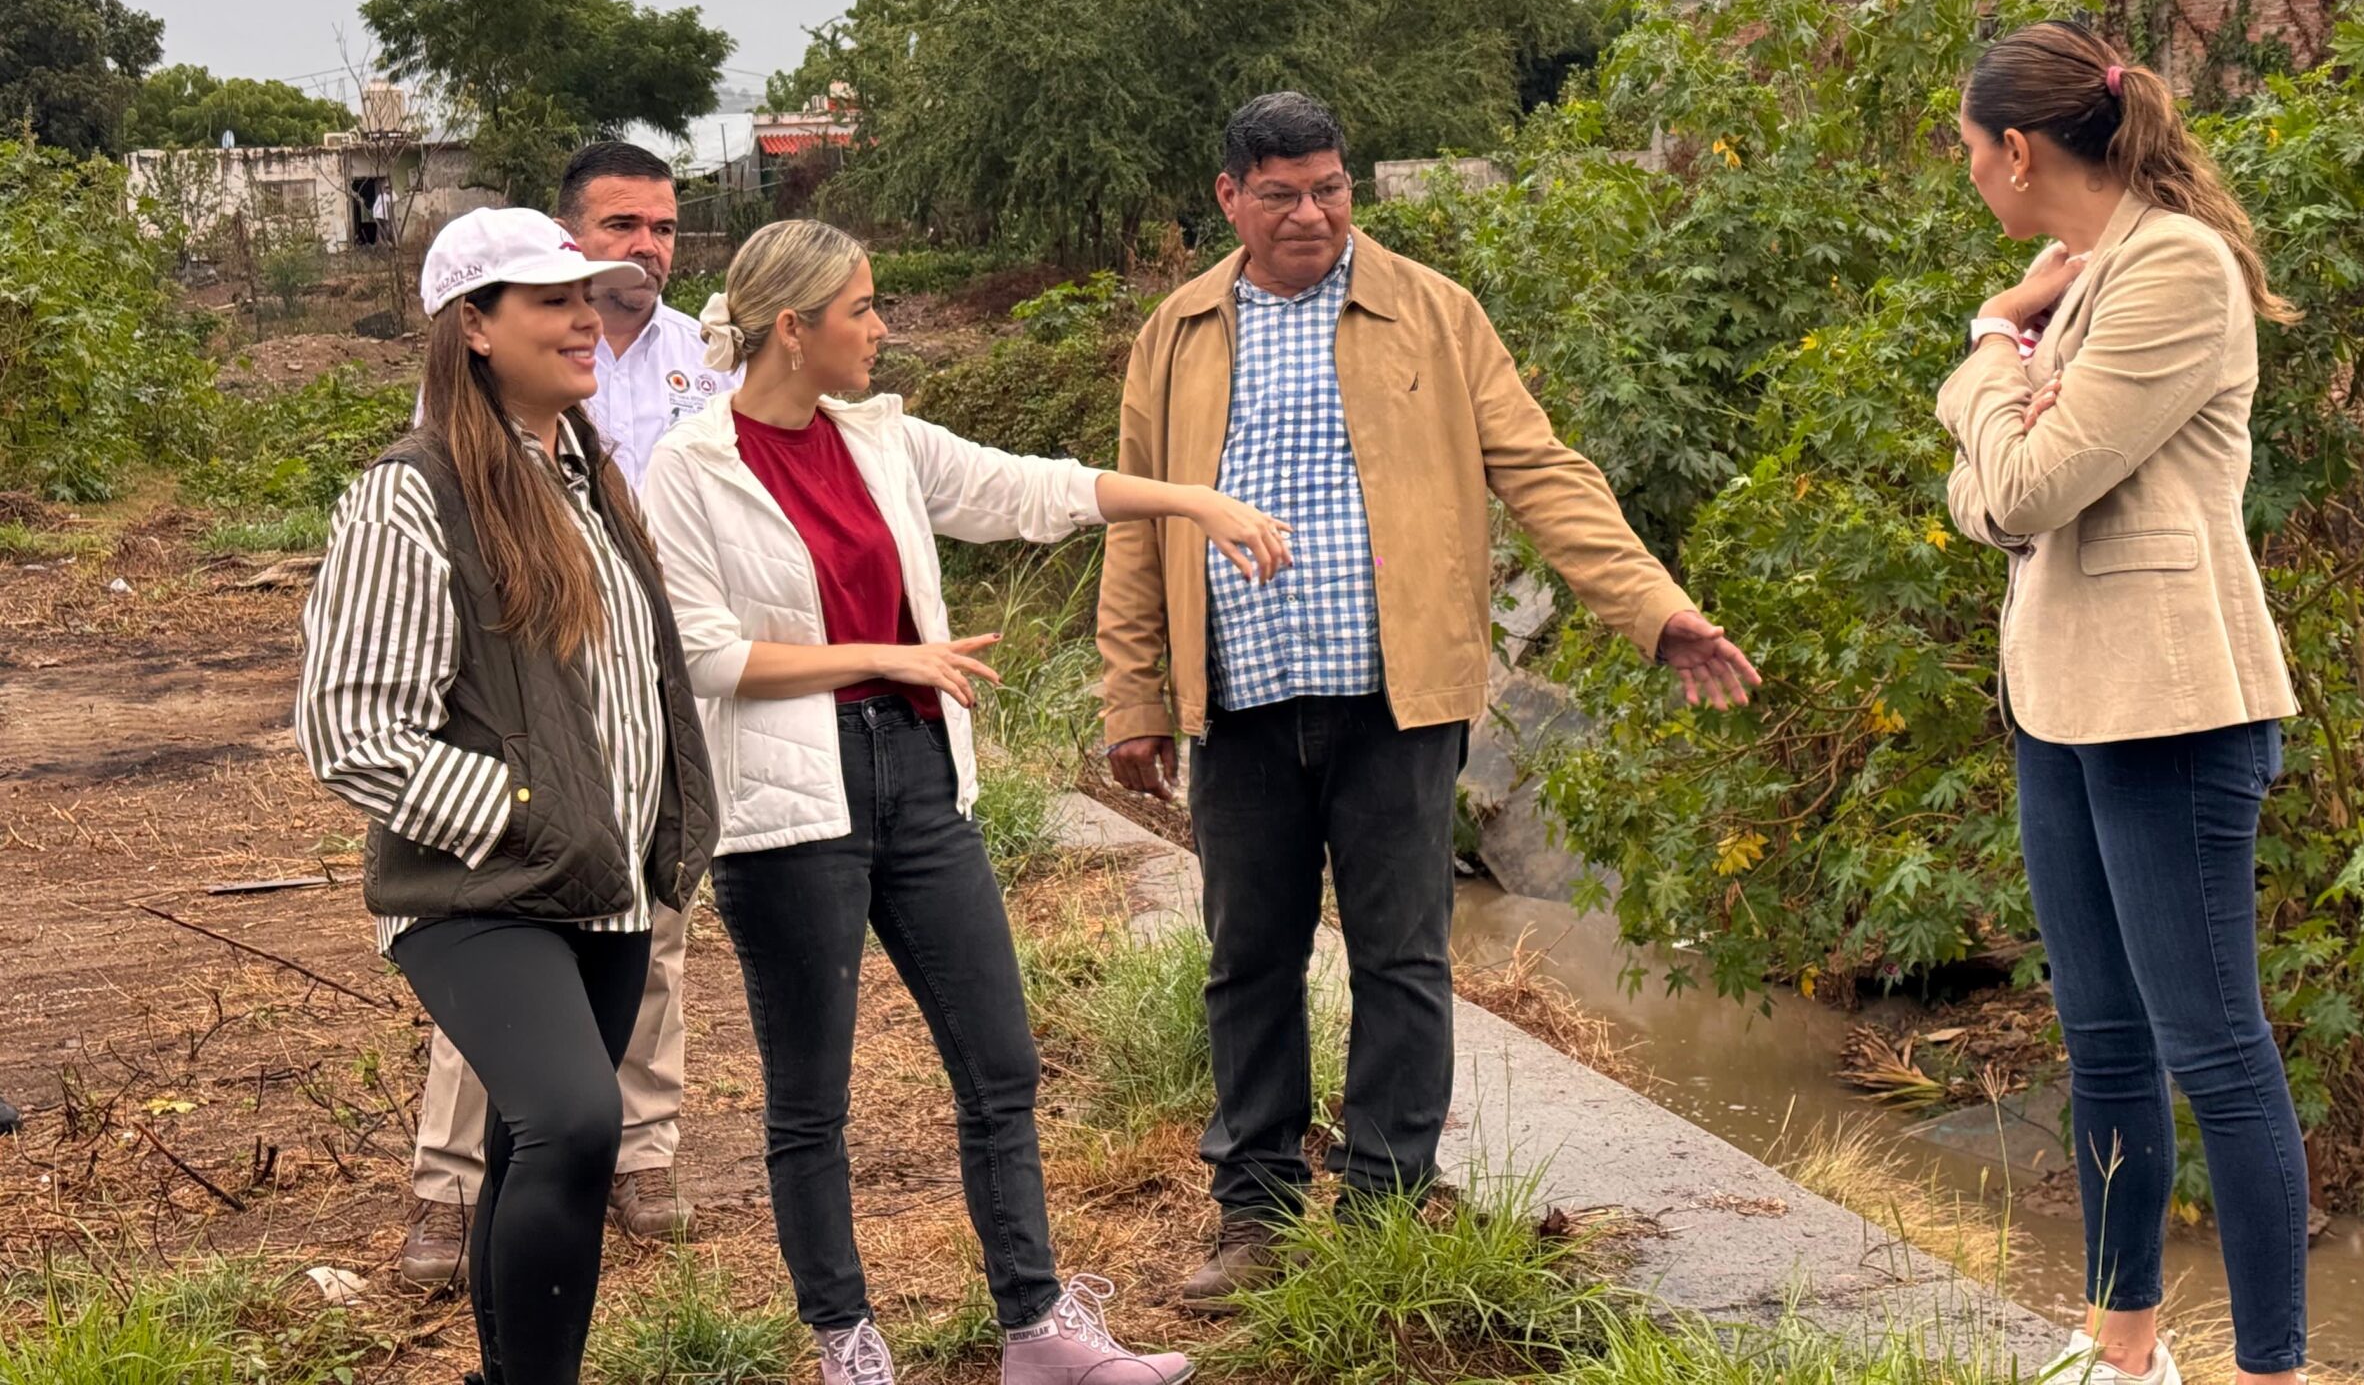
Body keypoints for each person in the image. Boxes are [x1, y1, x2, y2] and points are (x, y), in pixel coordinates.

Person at [1096, 91, 1762, 1307]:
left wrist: (1653, 609)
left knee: (1401, 956)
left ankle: (1387, 1198)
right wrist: (1132, 691)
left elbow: (1543, 474)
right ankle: (1254, 1212)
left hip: (1396, 697)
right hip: (1239, 697)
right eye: (1284, 194)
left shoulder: (1435, 314)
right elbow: (1139, 520)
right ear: (1229, 198)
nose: (1313, 214)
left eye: (1331, 188)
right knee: (1248, 957)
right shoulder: (1179, 333)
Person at [643, 219, 1286, 1385]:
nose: (882, 328)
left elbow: (1026, 490)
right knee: (811, 1098)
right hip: (792, 803)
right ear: (794, 328)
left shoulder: (877, 439)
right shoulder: (692, 466)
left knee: (999, 1063)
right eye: (863, 309)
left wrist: (1190, 500)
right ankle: (846, 1344)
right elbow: (703, 654)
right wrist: (888, 658)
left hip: (921, 778)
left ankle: (1035, 1331)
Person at [1938, 22, 2305, 1385]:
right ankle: (2121, 1339)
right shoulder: (2098, 276)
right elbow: (1993, 499)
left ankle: (2274, 1372)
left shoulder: (2176, 267)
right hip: (2062, 697)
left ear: (2020, 152)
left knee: (2214, 1052)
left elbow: (2026, 489)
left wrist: (1985, 351)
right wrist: (2009, 432)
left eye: (1975, 159)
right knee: (2100, 1041)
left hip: (2173, 707)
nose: (1975, 180)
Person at [296, 206, 719, 1385]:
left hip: (606, 884)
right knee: (577, 1122)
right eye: (551, 299)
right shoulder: (413, 493)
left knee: (542, 1146)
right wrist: (524, 811)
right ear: (471, 327)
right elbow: (349, 730)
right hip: (483, 887)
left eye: (589, 294)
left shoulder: (585, 479)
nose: (587, 317)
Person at [401, 141, 734, 1290]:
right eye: (622, 228)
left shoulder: (701, 358)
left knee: (655, 942)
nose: (646, 250)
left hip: (651, 688)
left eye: (664, 229)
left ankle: (640, 1155)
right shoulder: (488, 383)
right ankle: (449, 1189)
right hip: (532, 698)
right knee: (506, 953)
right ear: (565, 237)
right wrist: (506, 785)